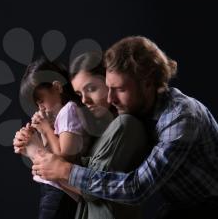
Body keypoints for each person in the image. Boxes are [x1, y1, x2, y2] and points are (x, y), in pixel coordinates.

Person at [30, 36, 218, 219]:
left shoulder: (180, 117)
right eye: (108, 88)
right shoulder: (138, 111)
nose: (111, 99)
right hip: (178, 205)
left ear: (147, 83)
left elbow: (137, 187)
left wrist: (65, 170)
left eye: (120, 89)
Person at [15, 52, 152, 219]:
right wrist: (33, 146)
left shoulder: (124, 126)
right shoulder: (96, 130)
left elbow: (88, 191)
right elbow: (77, 187)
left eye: (91, 88)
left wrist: (36, 151)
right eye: (79, 94)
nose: (84, 100)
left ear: (109, 83)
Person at [15, 56, 88, 219]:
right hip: (53, 188)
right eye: (37, 104)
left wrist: (46, 129)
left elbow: (64, 156)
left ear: (57, 87)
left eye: (41, 101)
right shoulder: (59, 116)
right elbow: (50, 152)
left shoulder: (69, 110)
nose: (40, 107)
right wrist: (37, 136)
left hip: (60, 192)